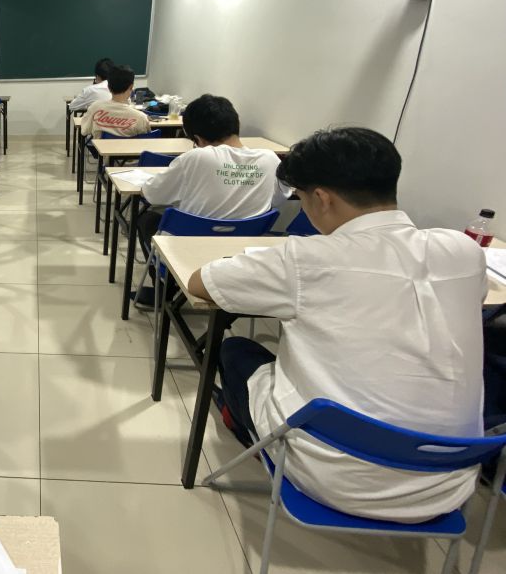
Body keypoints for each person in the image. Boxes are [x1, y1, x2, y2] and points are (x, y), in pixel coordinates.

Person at [187, 127, 486, 523]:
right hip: (449, 483)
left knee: (234, 350)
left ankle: (248, 432)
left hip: (332, 476)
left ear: (322, 198)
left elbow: (200, 283)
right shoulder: (465, 251)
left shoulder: (305, 259)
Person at [138, 94, 291, 251]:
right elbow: (277, 200)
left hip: (187, 252)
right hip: (242, 252)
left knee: (147, 218)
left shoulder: (196, 158)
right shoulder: (270, 159)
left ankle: (163, 267)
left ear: (198, 139)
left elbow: (152, 195)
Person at [80, 64, 150, 139]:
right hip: (131, 147)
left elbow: (84, 131)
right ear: (131, 87)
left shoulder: (95, 107)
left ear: (108, 87)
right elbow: (145, 140)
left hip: (101, 146)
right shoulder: (141, 118)